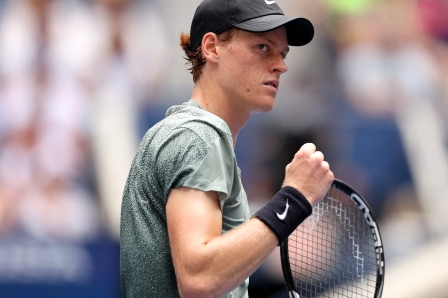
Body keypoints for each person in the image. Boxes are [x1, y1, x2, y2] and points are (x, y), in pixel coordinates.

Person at [119, 0, 334, 297]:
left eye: (282, 54)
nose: (281, 65)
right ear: (211, 47)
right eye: (262, 47)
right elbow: (199, 277)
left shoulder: (189, 133)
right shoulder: (197, 137)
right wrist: (294, 199)